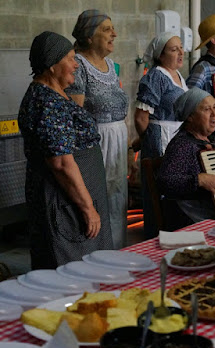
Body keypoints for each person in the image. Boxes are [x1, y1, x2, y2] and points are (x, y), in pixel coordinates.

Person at [18, 31, 113, 270]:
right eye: (70, 58)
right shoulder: (46, 101)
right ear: (51, 64)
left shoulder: (54, 95)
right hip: (64, 203)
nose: (76, 64)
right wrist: (87, 208)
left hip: (72, 200)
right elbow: (60, 162)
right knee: (72, 272)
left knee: (92, 267)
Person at [66, 9, 128, 249]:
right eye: (106, 29)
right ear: (89, 36)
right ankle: (98, 254)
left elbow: (122, 107)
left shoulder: (112, 66)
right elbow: (76, 116)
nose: (114, 34)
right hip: (95, 144)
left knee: (117, 199)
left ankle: (118, 250)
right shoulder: (78, 65)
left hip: (118, 142)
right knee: (98, 198)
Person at [134, 31, 188, 238]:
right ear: (161, 55)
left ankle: (173, 235)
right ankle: (156, 238)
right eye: (174, 49)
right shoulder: (156, 76)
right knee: (159, 192)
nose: (180, 52)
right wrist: (149, 141)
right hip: (160, 139)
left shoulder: (178, 76)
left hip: (174, 135)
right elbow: (141, 117)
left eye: (181, 47)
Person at [157, 87, 215, 229]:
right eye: (206, 109)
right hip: (189, 217)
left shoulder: (213, 140)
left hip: (210, 211)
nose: (214, 114)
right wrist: (198, 180)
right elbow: (165, 181)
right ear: (190, 116)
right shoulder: (182, 144)